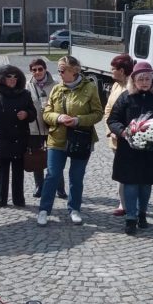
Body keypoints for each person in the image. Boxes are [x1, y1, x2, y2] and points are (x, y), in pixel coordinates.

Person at [36, 55, 103, 226]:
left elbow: (98, 114)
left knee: (76, 176)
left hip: (81, 139)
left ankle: (74, 209)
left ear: (74, 71)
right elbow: (46, 114)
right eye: (58, 70)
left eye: (62, 70)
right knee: (52, 175)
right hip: (57, 138)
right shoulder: (56, 89)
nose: (59, 73)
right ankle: (44, 210)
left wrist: (78, 120)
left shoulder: (90, 88)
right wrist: (58, 118)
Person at [107, 60, 153, 234]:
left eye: (147, 79)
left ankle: (142, 214)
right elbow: (113, 120)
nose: (144, 82)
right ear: (133, 80)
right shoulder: (126, 97)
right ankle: (130, 218)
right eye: (140, 79)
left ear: (152, 79)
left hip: (151, 150)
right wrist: (123, 132)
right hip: (129, 150)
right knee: (130, 183)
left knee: (145, 183)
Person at [0, 64, 37, 208]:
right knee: (2, 170)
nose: (13, 79)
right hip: (1, 138)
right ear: (2, 78)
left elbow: (33, 114)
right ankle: (0, 199)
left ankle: (18, 199)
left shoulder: (25, 94)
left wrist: (26, 114)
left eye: (15, 77)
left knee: (18, 170)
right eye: (9, 77)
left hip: (19, 137)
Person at [26, 59, 66, 199]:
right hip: (35, 128)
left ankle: (59, 188)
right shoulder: (27, 86)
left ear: (45, 69)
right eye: (34, 70)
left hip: (53, 127)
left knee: (55, 159)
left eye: (40, 69)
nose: (37, 72)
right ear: (31, 71)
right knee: (37, 158)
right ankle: (39, 186)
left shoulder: (56, 85)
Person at [102, 53, 134, 216]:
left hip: (128, 137)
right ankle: (123, 202)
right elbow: (108, 109)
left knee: (130, 171)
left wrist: (122, 131)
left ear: (121, 70)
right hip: (115, 137)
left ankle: (130, 203)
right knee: (121, 170)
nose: (111, 72)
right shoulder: (115, 85)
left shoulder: (132, 86)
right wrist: (111, 130)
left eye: (113, 69)